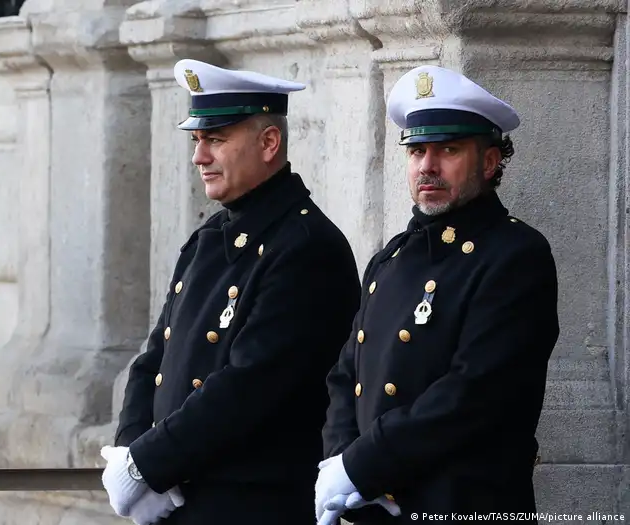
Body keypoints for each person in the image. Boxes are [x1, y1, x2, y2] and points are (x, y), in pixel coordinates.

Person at [99, 58, 362, 524]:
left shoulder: (306, 247)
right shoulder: (210, 236)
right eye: (197, 141)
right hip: (181, 500)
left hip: (250, 507)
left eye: (216, 140)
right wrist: (129, 453)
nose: (199, 157)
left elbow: (249, 385)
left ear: (269, 142)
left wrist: (146, 467)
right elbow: (153, 359)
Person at [314, 65, 560, 525]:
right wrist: (341, 462)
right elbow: (346, 376)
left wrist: (362, 465)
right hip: (375, 505)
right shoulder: (391, 258)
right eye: (417, 150)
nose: (427, 165)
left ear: (490, 162)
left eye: (448, 150)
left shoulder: (515, 255)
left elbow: (474, 393)